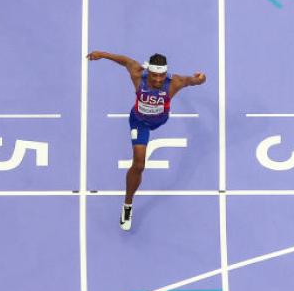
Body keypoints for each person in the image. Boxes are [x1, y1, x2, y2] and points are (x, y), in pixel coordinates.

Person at [88, 50, 206, 231]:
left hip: (160, 120)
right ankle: (127, 206)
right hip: (139, 123)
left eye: (161, 76)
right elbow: (125, 61)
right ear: (148, 71)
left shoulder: (175, 82)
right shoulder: (137, 74)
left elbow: (194, 81)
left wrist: (201, 78)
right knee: (139, 164)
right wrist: (102, 55)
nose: (158, 80)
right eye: (154, 76)